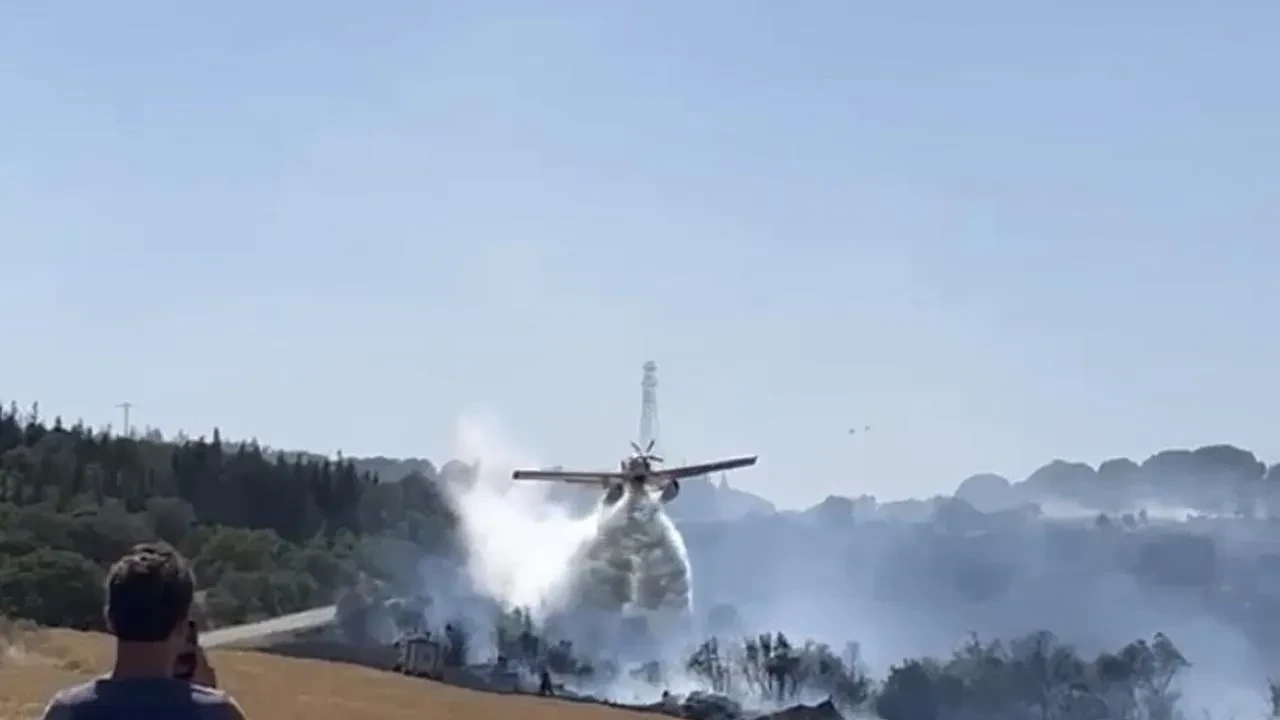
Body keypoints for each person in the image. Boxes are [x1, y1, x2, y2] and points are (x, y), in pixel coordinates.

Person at [40, 542, 247, 719]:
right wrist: (208, 696)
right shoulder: (218, 712)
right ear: (183, 628)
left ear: (110, 618)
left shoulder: (65, 711)